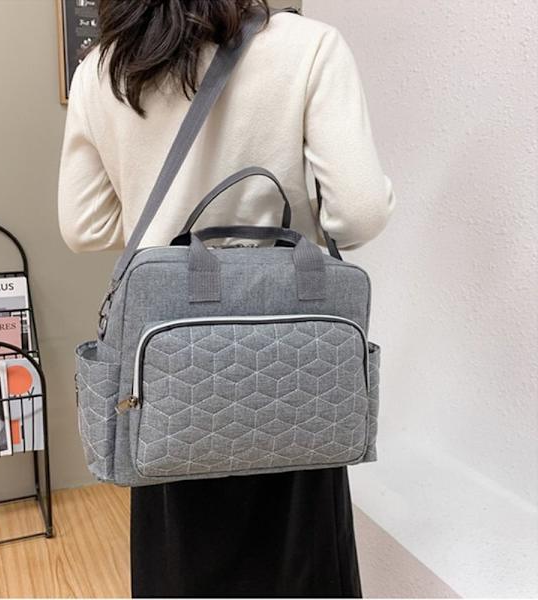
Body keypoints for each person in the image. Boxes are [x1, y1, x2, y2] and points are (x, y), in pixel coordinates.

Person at [58, 1, 396, 597]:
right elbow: (359, 214)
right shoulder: (310, 46)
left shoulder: (103, 66)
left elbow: (83, 226)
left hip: (168, 379)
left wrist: (163, 226)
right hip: (294, 359)